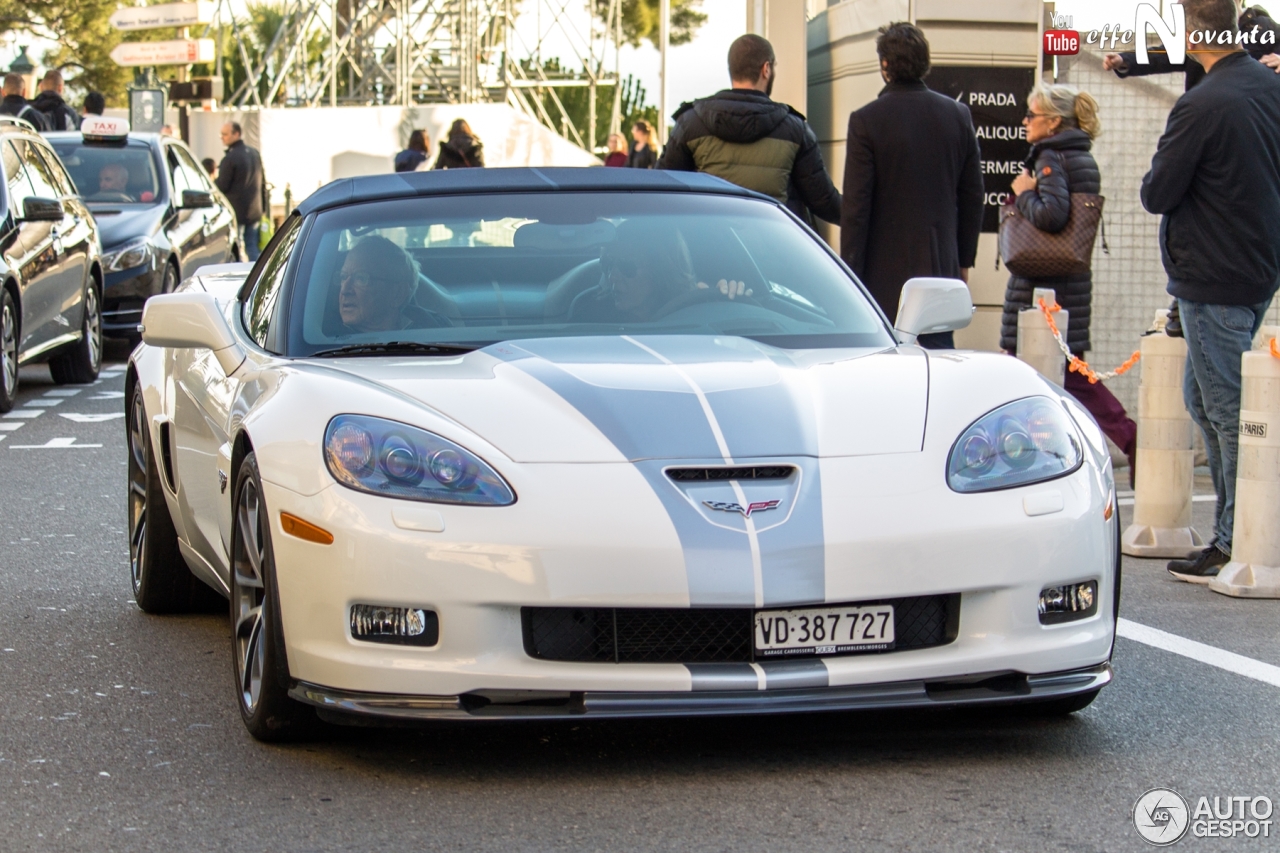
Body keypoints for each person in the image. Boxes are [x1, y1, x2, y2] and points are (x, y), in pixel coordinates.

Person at [1140, 0, 1280, 582]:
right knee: (1203, 399)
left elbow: (1158, 191)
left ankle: (1239, 539)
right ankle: (1233, 532)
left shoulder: (1200, 105)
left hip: (1211, 272)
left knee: (1225, 410)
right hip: (1257, 264)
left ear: (1196, 35)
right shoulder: (1268, 88)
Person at [1001, 84, 1138, 483]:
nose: (1025, 121)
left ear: (1054, 121)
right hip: (1067, 284)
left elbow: (1052, 215)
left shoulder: (1051, 156)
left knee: (1040, 376)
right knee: (1069, 376)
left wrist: (1023, 194)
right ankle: (1074, 451)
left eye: (1032, 114)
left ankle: (1038, 461)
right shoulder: (1078, 155)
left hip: (1043, 288)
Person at [839, 22, 983, 348]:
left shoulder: (867, 120)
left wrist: (850, 275)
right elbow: (973, 196)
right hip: (939, 269)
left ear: (884, 65)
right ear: (925, 62)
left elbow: (856, 209)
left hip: (881, 276)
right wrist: (962, 262)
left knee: (885, 369)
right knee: (937, 365)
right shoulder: (957, 116)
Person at [659, 35, 842, 226]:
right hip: (773, 248)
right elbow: (825, 202)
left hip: (709, 248)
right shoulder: (794, 129)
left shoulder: (691, 123)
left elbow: (662, 191)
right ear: (766, 69)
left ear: (732, 70)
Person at [570, 221, 747, 323]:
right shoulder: (590, 314)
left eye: (627, 267)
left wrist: (730, 303)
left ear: (660, 269)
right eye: (607, 264)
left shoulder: (696, 307)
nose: (612, 276)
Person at [1103, 4, 1280, 90]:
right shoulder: (1200, 32)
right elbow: (1164, 55)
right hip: (1208, 114)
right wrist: (1124, 60)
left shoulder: (1265, 28)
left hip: (1249, 121)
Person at [337, 236, 448, 332]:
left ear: (398, 294)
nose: (344, 290)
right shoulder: (324, 337)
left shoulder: (436, 332)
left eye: (361, 278)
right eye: (343, 277)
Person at [215, 121, 266, 262]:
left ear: (236, 134)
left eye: (225, 134)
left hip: (236, 212)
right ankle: (257, 277)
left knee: (236, 248)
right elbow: (263, 183)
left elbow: (222, 186)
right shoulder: (254, 153)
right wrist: (263, 208)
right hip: (254, 211)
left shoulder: (230, 158)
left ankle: (241, 279)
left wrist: (212, 181)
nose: (222, 137)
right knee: (252, 247)